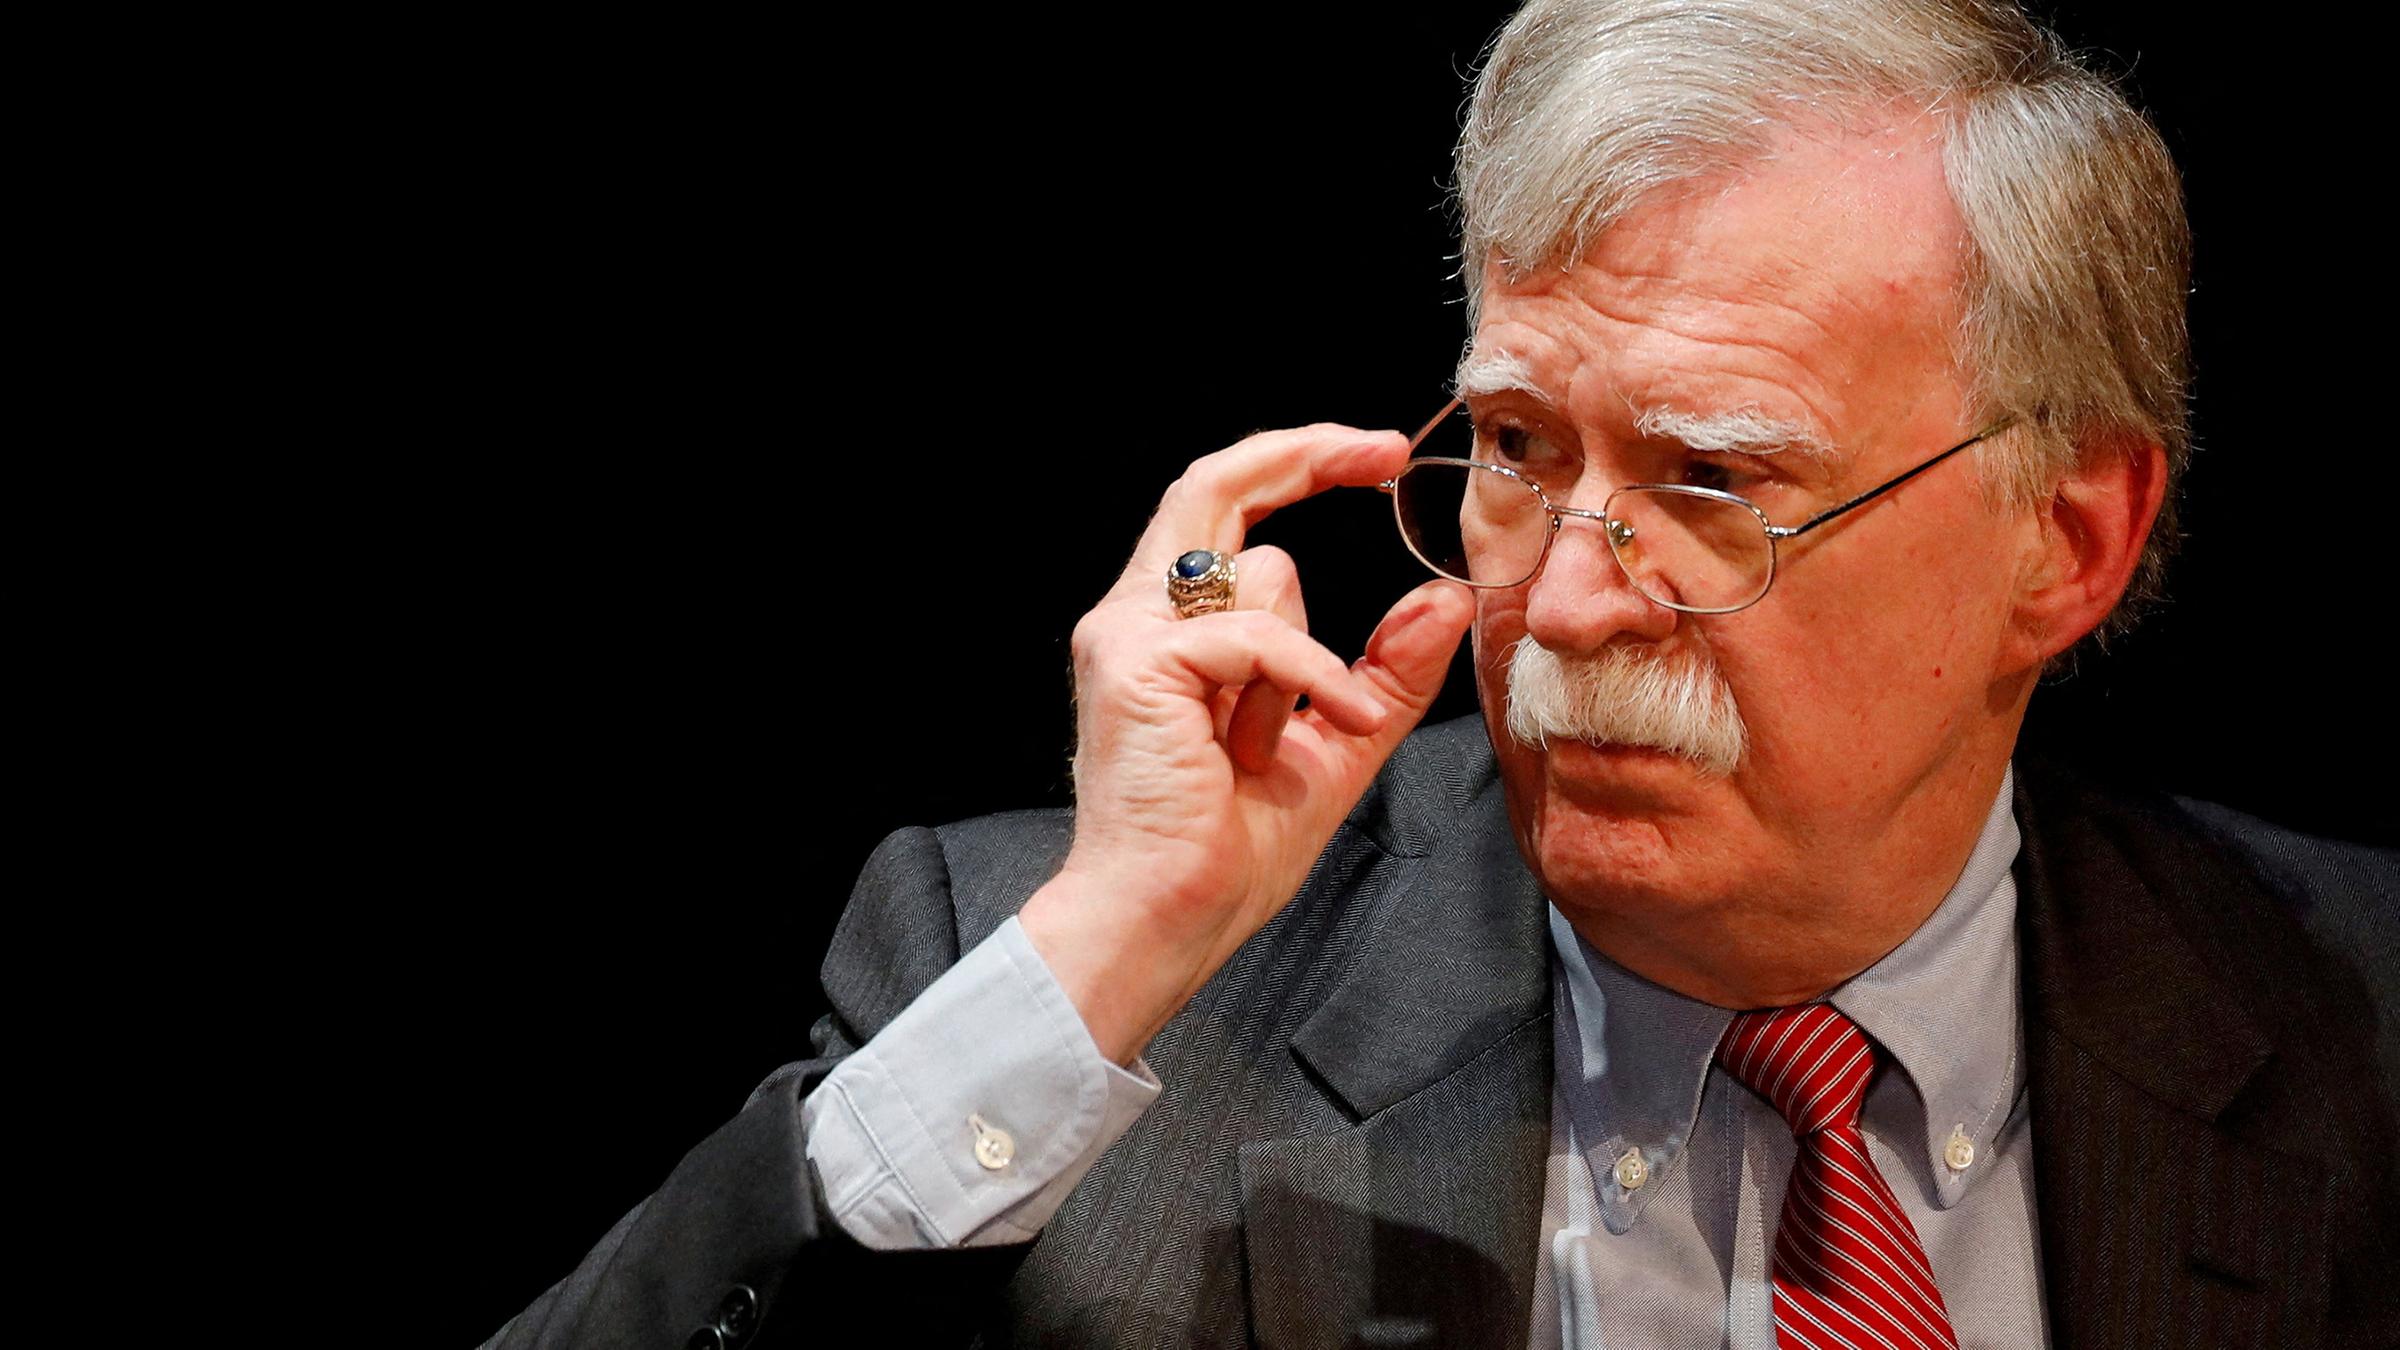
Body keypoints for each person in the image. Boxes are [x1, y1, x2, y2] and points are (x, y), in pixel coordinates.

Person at [486, 2, 2397, 1347]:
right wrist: (1111, 949)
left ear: (2065, 540)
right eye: (1515, 449)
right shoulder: (1053, 977)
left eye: (1713, 484)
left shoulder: (2364, 1015)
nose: (1559, 604)